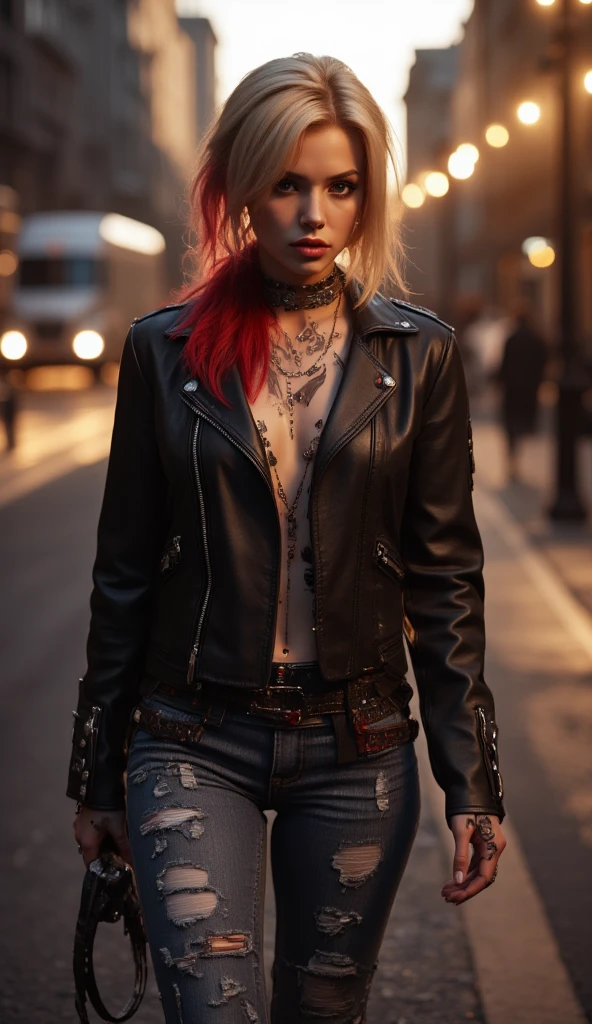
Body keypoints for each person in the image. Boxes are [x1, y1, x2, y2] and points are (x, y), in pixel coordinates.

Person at [68, 54, 506, 1023]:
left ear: (365, 200)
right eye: (287, 183)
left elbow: (445, 579)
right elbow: (125, 573)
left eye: (340, 187)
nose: (314, 213)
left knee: (323, 1010)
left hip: (358, 745)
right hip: (190, 737)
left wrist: (471, 780)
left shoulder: (417, 355)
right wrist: (93, 773)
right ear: (239, 188)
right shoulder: (163, 349)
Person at [497, 301, 547, 481]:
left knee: (511, 421)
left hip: (512, 388)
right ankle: (517, 451)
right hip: (529, 388)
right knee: (524, 420)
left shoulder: (512, 338)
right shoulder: (537, 339)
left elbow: (503, 364)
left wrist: (499, 382)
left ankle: (513, 454)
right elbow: (543, 363)